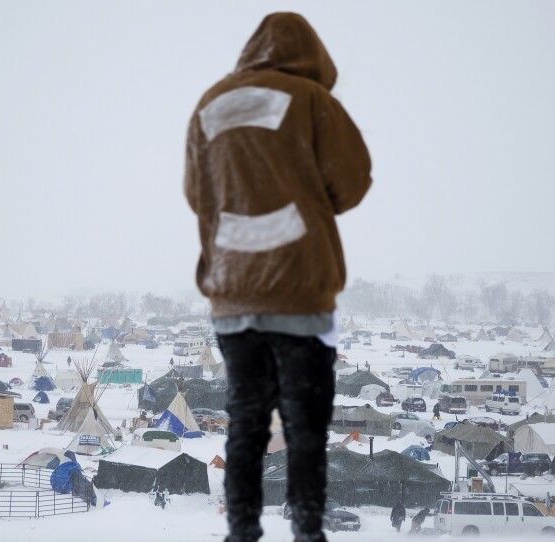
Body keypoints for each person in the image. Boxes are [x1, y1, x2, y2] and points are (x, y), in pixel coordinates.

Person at [185, 12, 372, 542]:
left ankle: (241, 531)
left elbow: (198, 192)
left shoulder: (210, 102)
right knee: (304, 427)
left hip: (232, 291)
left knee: (246, 422)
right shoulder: (312, 101)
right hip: (300, 290)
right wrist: (301, 197)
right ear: (312, 54)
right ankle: (308, 532)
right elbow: (351, 185)